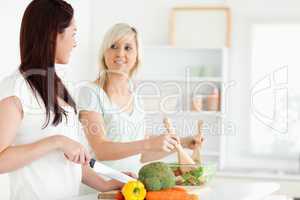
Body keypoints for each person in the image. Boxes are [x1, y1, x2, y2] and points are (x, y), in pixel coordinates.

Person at [0, 1, 124, 199]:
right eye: (73, 33)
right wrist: (56, 142)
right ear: (52, 34)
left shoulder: (59, 86)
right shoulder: (16, 88)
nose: (76, 42)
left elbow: (70, 160)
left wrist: (108, 183)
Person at [78, 23, 203, 174]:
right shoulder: (91, 93)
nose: (120, 53)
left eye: (128, 48)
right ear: (104, 53)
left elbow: (142, 155)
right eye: (113, 46)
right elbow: (101, 150)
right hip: (100, 189)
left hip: (131, 187)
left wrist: (182, 143)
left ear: (137, 56)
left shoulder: (136, 99)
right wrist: (149, 143)